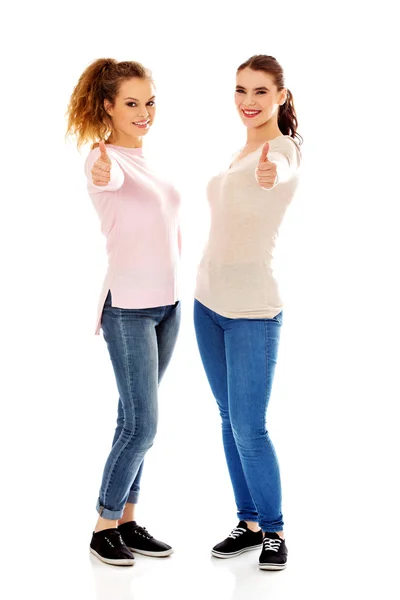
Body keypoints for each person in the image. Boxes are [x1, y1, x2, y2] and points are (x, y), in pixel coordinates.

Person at [66, 58, 181, 566]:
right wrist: (104, 167)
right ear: (108, 107)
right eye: (131, 103)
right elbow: (106, 181)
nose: (144, 112)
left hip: (167, 307)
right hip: (129, 310)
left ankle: (128, 521)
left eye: (149, 101)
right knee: (143, 426)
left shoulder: (148, 160)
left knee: (130, 417)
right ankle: (102, 526)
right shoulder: (103, 160)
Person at [193, 54, 302, 571]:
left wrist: (270, 170)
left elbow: (279, 170)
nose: (248, 102)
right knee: (227, 419)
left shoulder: (282, 152)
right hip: (207, 304)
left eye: (260, 91)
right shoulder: (239, 151)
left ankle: (275, 530)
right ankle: (249, 521)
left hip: (253, 311)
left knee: (250, 427)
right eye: (240, 90)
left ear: (281, 95)